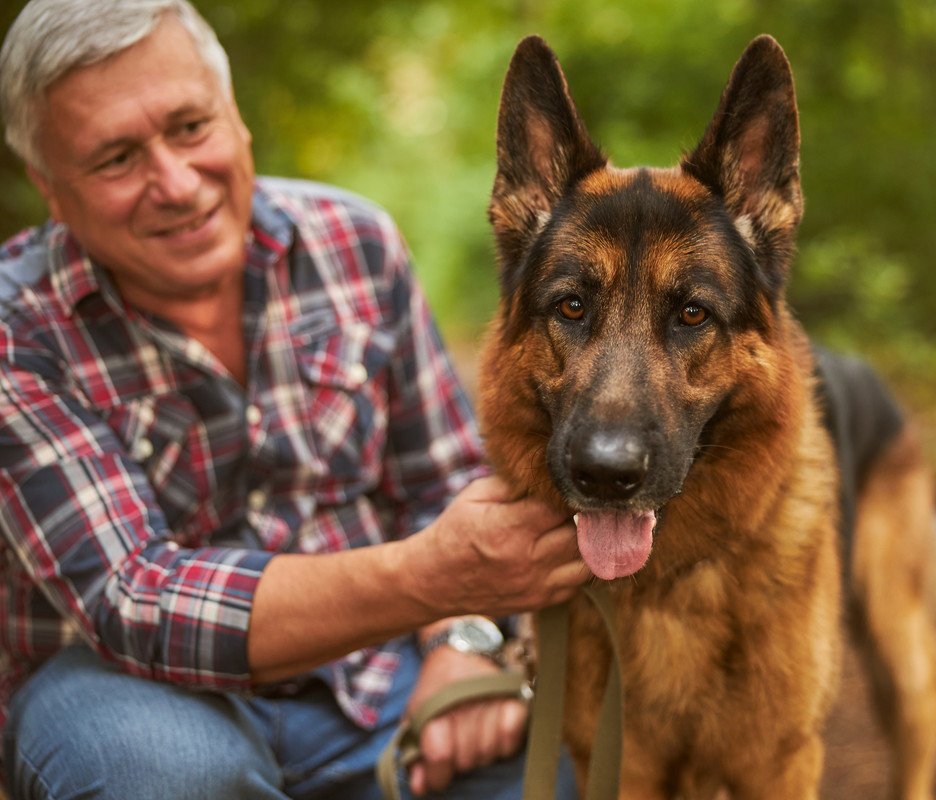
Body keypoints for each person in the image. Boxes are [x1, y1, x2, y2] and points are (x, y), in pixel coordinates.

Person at [0, 1, 588, 798]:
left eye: (190, 127)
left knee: (557, 765)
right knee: (158, 773)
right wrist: (433, 582)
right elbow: (134, 597)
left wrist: (468, 641)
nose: (174, 183)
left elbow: (443, 482)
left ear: (236, 118)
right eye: (115, 159)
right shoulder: (16, 329)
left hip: (378, 682)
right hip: (129, 690)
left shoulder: (355, 243)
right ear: (50, 190)